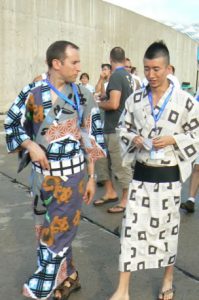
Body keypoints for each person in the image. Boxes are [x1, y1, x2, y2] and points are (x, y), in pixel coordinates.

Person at [4, 40, 106, 300]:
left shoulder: (84, 94)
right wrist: (29, 145)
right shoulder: (33, 92)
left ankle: (45, 281)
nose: (79, 67)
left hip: (72, 176)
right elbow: (12, 122)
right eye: (74, 62)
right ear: (56, 64)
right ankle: (68, 275)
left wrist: (92, 177)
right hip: (40, 177)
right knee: (43, 228)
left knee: (58, 230)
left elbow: (90, 137)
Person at [109, 41, 199, 300]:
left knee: (167, 233)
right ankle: (122, 289)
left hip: (169, 177)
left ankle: (167, 279)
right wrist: (134, 138)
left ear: (168, 68)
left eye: (156, 69)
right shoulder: (136, 98)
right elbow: (122, 128)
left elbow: (196, 132)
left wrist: (174, 140)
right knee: (130, 232)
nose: (151, 75)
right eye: (147, 69)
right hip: (141, 175)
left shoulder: (186, 101)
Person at [93, 47, 134, 213]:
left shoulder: (117, 76)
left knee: (119, 165)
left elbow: (114, 104)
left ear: (110, 60)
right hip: (113, 127)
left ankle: (125, 200)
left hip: (116, 128)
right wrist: (105, 97)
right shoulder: (127, 76)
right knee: (102, 161)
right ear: (124, 60)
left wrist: (98, 104)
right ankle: (110, 192)